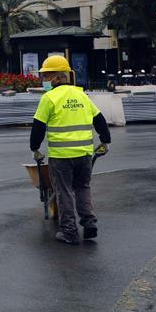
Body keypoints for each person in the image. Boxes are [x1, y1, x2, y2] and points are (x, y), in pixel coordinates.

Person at [30, 54, 111, 245]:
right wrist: (105, 141)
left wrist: (35, 148)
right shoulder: (81, 95)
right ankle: (89, 223)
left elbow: (38, 127)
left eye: (47, 76)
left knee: (64, 192)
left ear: (57, 77)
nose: (44, 80)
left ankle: (69, 231)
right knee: (83, 187)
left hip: (61, 156)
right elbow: (99, 119)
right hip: (84, 153)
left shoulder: (49, 98)